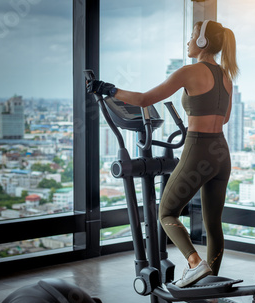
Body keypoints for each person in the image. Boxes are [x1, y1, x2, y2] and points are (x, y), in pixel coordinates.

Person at [87, 20, 238, 288]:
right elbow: (224, 118)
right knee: (213, 225)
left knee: (166, 213)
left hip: (198, 147)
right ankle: (209, 286)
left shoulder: (189, 72)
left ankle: (194, 264)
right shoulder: (227, 76)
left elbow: (144, 99)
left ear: (202, 42)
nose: (189, 41)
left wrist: (109, 89)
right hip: (221, 153)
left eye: (192, 36)